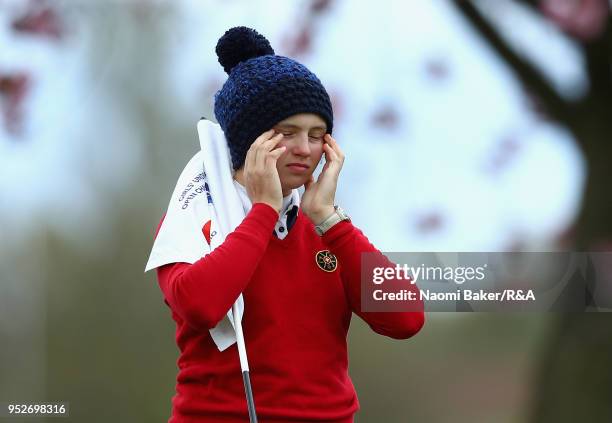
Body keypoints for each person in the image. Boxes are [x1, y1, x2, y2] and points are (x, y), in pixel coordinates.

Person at [150, 26, 425, 423]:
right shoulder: (195, 216)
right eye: (287, 133)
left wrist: (331, 221)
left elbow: (406, 318)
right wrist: (262, 212)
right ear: (250, 141)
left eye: (317, 135)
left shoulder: (327, 228)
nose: (305, 149)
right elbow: (199, 305)